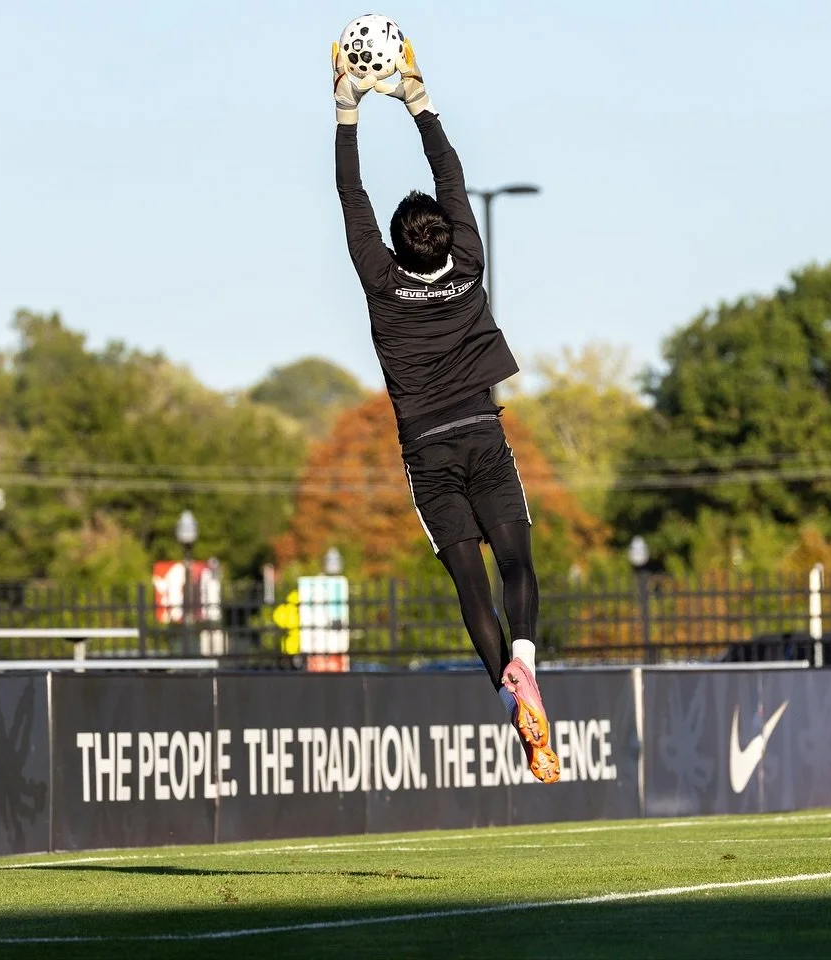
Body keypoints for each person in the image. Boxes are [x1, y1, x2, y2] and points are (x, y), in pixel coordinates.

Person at [332, 38, 559, 784]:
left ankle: (512, 707)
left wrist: (347, 110)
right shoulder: (469, 264)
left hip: (428, 451)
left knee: (470, 587)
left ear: (397, 248)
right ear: (447, 236)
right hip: (484, 436)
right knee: (518, 565)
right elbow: (451, 176)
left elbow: (351, 199)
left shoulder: (380, 283)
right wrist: (418, 102)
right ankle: (526, 666)